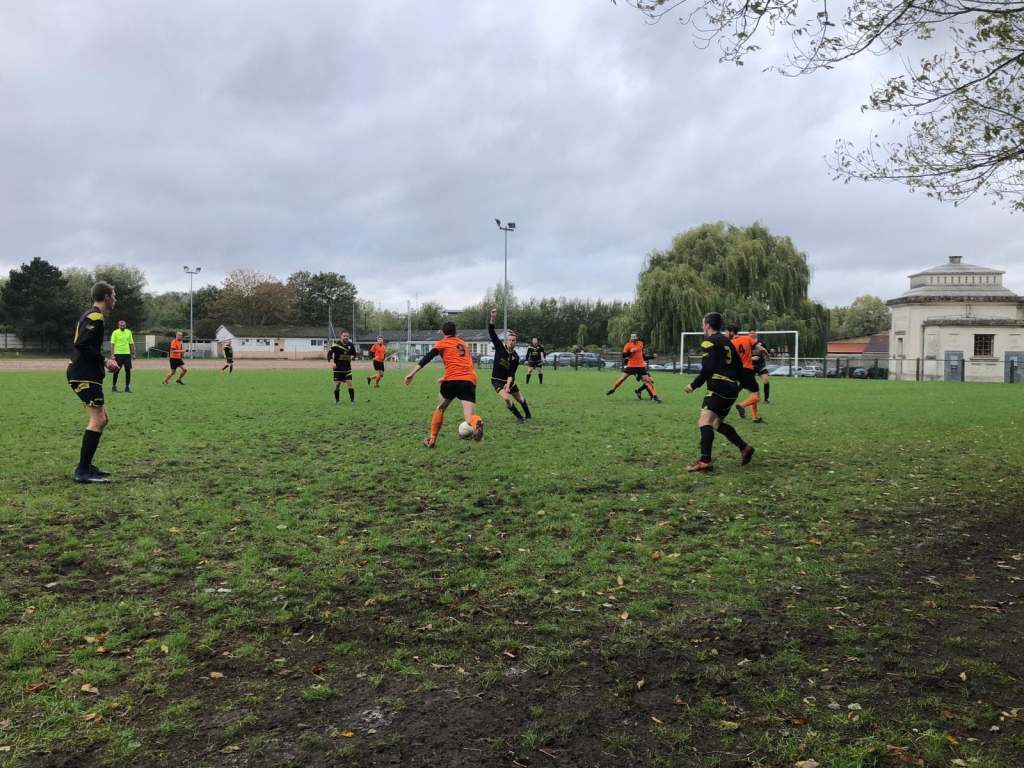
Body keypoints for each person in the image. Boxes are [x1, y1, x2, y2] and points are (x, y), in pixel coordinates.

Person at [684, 312, 754, 472]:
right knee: (716, 423)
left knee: (704, 422)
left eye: (703, 324)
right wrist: (740, 386)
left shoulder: (709, 342)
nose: (702, 327)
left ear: (707, 325)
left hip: (718, 387)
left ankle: (705, 461)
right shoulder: (728, 342)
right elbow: (739, 367)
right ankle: (744, 448)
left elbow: (708, 368)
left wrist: (693, 385)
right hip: (732, 388)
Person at [66, 281, 119, 483]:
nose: (115, 298)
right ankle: (82, 471)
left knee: (103, 419)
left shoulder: (93, 315)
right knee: (97, 420)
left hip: (88, 374)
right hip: (83, 375)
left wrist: (103, 361)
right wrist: (105, 360)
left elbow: (86, 345)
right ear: (106, 296)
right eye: (113, 295)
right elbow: (81, 344)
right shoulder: (95, 316)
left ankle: (86, 466)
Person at [404, 321, 483, 447]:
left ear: (443, 332)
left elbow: (427, 358)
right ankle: (477, 421)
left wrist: (412, 374)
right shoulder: (463, 344)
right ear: (455, 332)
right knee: (469, 418)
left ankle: (432, 439)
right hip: (468, 380)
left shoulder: (442, 343)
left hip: (451, 381)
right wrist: (446, 376)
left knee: (440, 409)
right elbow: (463, 364)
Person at [487, 308, 532, 421]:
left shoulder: (515, 357)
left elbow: (511, 373)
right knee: (506, 398)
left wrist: (508, 384)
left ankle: (528, 415)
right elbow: (491, 332)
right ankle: (520, 418)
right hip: (496, 380)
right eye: (510, 340)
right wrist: (492, 318)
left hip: (508, 380)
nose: (511, 342)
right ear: (506, 341)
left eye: (514, 340)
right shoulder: (499, 347)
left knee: (520, 398)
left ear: (516, 342)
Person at [725, 326, 764, 424]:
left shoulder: (730, 344)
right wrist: (766, 354)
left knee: (752, 394)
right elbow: (760, 348)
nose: (725, 334)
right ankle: (741, 405)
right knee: (757, 396)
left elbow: (731, 359)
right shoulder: (747, 338)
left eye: (726, 332)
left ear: (732, 332)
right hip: (747, 371)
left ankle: (755, 417)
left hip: (738, 372)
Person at [606, 332, 660, 402]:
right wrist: (630, 352)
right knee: (622, 379)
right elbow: (623, 356)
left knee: (648, 381)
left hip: (640, 367)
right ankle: (613, 389)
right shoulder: (628, 345)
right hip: (631, 366)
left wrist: (652, 356)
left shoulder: (641, 344)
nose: (633, 338)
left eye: (634, 337)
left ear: (637, 337)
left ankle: (655, 397)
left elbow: (643, 356)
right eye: (632, 337)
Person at [328, 330, 359, 404]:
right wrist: (332, 363)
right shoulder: (335, 345)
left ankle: (352, 401)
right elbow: (329, 355)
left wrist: (353, 357)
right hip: (337, 369)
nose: (346, 337)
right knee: (337, 386)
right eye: (344, 336)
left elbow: (354, 354)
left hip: (347, 369)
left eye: (347, 336)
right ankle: (337, 400)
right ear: (341, 336)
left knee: (350, 384)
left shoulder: (350, 345)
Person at [109, 319, 135, 392]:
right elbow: (112, 344)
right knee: (116, 371)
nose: (122, 326)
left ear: (125, 325)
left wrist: (133, 353)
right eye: (121, 325)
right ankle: (114, 387)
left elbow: (131, 343)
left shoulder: (129, 332)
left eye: (123, 325)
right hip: (118, 354)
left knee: (128, 371)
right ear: (118, 325)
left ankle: (127, 387)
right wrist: (112, 354)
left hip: (127, 354)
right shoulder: (115, 332)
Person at [750, 328, 771, 403]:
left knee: (766, 380)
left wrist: (768, 355)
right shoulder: (747, 343)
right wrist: (751, 358)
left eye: (753, 333)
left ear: (756, 334)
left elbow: (765, 351)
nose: (752, 334)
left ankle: (766, 399)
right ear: (749, 334)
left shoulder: (761, 343)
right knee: (750, 383)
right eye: (750, 333)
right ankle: (756, 397)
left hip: (761, 365)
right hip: (751, 366)